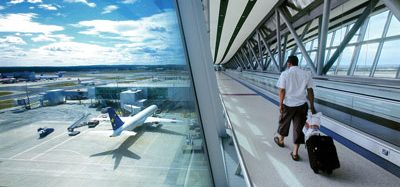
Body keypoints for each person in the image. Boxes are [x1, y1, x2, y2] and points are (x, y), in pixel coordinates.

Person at [274, 55, 316, 161]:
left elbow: (282, 90)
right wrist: (312, 106)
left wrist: (280, 104)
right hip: (302, 105)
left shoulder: (285, 74)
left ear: (289, 63)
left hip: (288, 105)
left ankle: (281, 140)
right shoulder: (306, 74)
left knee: (284, 122)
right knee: (299, 128)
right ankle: (295, 153)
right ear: (297, 63)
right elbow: (310, 91)